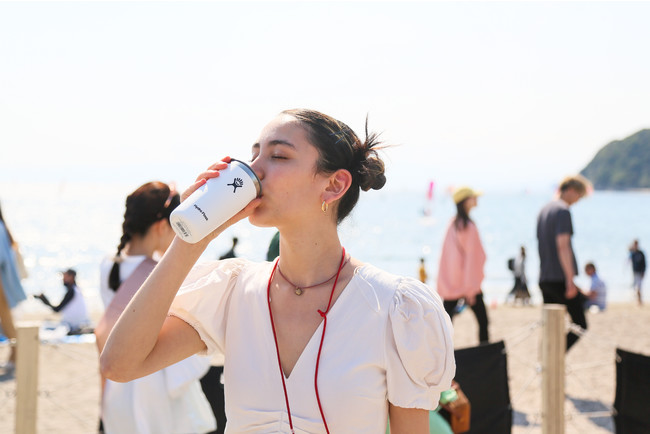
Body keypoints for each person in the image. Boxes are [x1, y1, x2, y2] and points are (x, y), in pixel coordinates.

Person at [101, 109, 455, 433]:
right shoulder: (231, 291)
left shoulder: (395, 309)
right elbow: (120, 365)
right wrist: (189, 240)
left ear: (334, 185)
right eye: (254, 154)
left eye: (278, 156)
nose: (253, 169)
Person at [97, 181, 215, 434]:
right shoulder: (163, 276)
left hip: (119, 384)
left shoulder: (108, 265)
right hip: (156, 383)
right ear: (162, 226)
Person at [537, 175, 590, 352]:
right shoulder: (562, 211)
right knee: (580, 324)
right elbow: (563, 246)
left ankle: (550, 363)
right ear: (571, 191)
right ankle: (555, 357)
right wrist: (570, 280)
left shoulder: (544, 210)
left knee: (552, 328)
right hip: (559, 278)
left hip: (545, 277)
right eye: (579, 196)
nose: (578, 201)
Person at [437, 186, 489, 345]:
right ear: (465, 201)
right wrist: (471, 289)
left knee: (445, 327)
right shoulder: (468, 226)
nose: (476, 199)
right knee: (483, 322)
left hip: (451, 284)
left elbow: (446, 258)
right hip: (468, 286)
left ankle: (442, 361)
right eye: (473, 197)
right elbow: (472, 260)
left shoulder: (452, 224)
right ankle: (485, 357)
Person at [0, 204, 27, 371]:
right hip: (4, 283)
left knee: (7, 320)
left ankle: (17, 354)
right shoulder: (3, 227)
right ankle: (15, 354)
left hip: (1, 284)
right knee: (6, 320)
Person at [36, 268, 91, 334]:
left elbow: (57, 309)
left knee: (45, 325)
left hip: (71, 325)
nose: (63, 279)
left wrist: (43, 299)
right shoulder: (77, 290)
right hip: (78, 323)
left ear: (71, 277)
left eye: (65, 276)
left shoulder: (72, 292)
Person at [629, 239, 646, 305]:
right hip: (635, 272)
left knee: (639, 287)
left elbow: (644, 263)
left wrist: (643, 272)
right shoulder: (633, 253)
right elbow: (628, 249)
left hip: (640, 272)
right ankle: (638, 300)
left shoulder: (640, 253)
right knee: (635, 287)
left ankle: (640, 301)